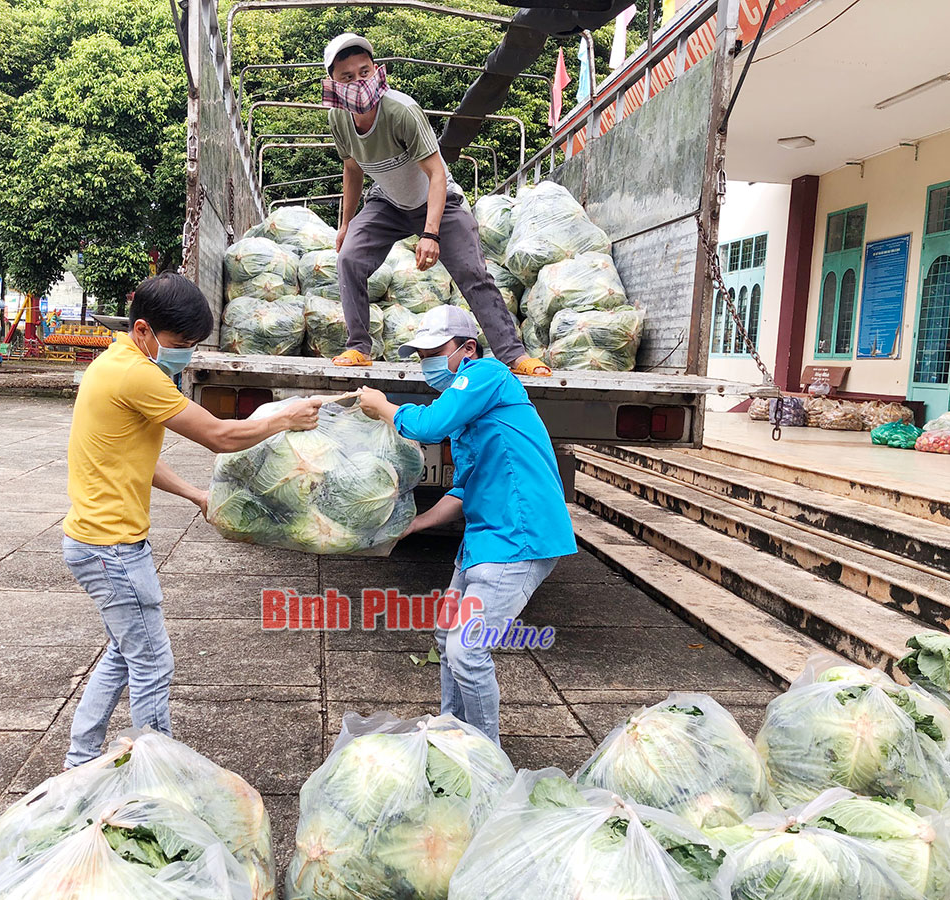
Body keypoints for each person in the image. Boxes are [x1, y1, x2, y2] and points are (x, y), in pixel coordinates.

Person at [61, 272, 321, 768]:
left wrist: (194, 493)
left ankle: (80, 759)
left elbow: (132, 457)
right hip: (113, 549)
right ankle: (160, 778)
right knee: (152, 662)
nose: (185, 355)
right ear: (143, 330)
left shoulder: (113, 362)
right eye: (180, 345)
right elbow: (221, 436)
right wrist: (284, 419)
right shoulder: (137, 374)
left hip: (93, 542)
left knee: (122, 652)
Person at [357, 305, 575, 744]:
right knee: (445, 636)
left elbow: (430, 425)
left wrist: (384, 407)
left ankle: (485, 754)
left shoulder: (487, 374)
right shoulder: (473, 416)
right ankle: (450, 732)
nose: (427, 364)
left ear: (467, 348)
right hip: (485, 542)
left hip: (521, 537)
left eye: (435, 352)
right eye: (421, 356)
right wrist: (415, 525)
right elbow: (462, 490)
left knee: (466, 647)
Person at [321, 32, 551, 377]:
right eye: (347, 77)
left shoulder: (401, 111)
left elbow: (436, 175)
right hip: (387, 203)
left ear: (377, 71)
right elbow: (352, 168)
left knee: (473, 274)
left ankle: (513, 355)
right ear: (334, 84)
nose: (358, 82)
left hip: (438, 200)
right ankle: (358, 348)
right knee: (349, 258)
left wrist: (431, 233)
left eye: (364, 72)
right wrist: (345, 224)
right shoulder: (338, 118)